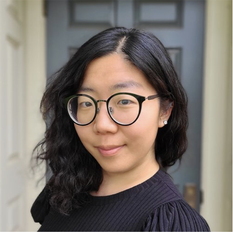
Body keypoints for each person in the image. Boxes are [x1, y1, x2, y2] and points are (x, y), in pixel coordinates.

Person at [31, 27, 210, 231]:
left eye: (124, 101)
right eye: (87, 103)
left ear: (165, 111)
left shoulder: (169, 222)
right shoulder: (66, 188)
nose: (102, 125)